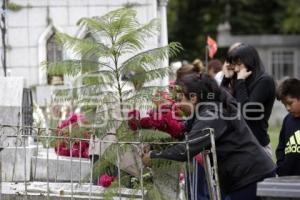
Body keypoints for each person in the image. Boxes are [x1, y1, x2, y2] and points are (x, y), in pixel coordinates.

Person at [143, 73, 275, 199]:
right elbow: (183, 129)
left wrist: (155, 156)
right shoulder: (207, 109)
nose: (177, 104)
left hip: (250, 176)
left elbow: (186, 149)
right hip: (244, 175)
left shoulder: (212, 114)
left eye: (180, 99)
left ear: (193, 98)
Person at [221, 43, 276, 158]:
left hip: (257, 145)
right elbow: (222, 105)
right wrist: (226, 79)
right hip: (239, 143)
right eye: (234, 64)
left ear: (249, 61)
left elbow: (247, 110)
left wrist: (240, 81)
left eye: (239, 64)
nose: (235, 69)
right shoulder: (240, 81)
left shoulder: (265, 81)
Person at [275, 78, 300, 176]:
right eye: (284, 105)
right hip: (288, 179)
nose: (287, 108)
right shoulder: (287, 120)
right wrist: (281, 167)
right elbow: (281, 147)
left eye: (290, 103)